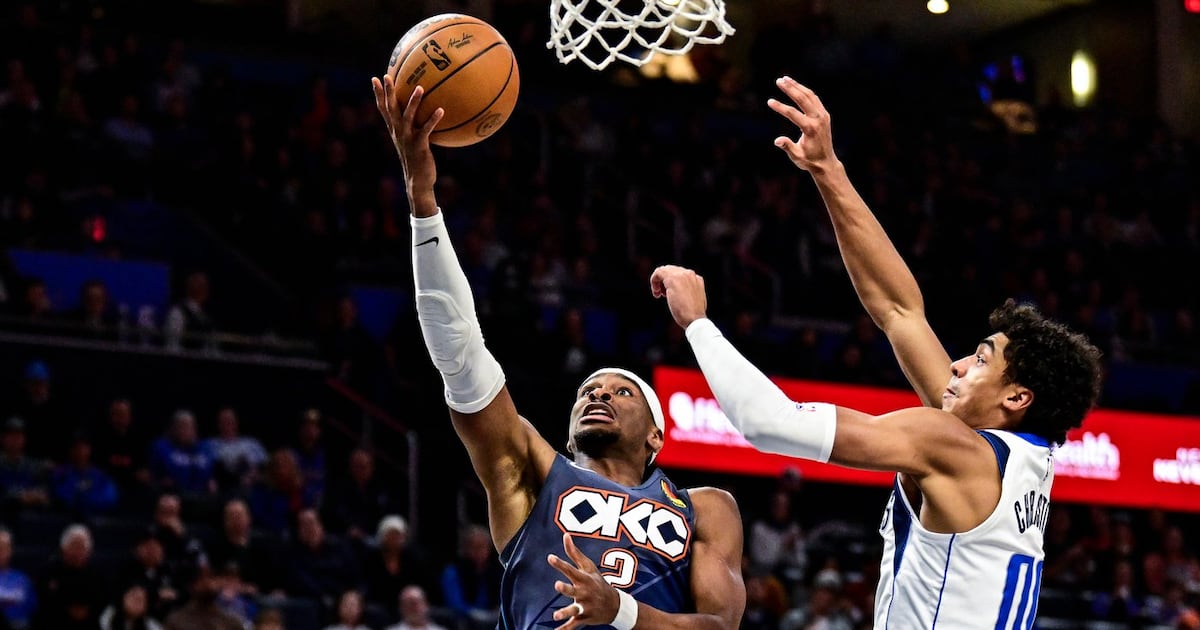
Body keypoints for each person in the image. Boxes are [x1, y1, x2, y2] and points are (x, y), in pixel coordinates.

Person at [650, 77, 1106, 629]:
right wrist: (828, 171)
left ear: (1016, 397)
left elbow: (769, 423)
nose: (958, 365)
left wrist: (697, 324)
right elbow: (899, 311)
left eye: (981, 360)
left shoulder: (952, 445)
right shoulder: (1018, 457)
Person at [370, 76, 745, 629]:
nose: (599, 394)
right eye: (588, 391)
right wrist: (423, 203)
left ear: (656, 436)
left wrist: (620, 612)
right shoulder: (535, 471)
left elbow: (720, 627)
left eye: (622, 391)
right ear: (568, 435)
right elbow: (460, 353)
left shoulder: (706, 507)